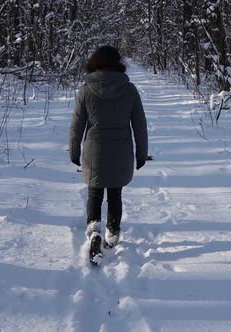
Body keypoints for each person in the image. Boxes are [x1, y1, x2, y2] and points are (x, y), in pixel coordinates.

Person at [69, 46, 148, 265]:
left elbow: (76, 125)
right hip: (121, 149)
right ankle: (112, 233)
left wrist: (74, 151)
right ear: (118, 63)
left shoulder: (85, 90)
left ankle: (93, 228)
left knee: (94, 192)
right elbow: (140, 125)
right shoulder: (129, 89)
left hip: (94, 150)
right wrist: (142, 153)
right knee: (115, 193)